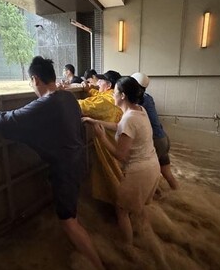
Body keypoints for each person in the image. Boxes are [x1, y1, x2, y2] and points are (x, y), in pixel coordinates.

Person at [0, 56, 104, 270]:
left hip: (64, 170)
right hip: (78, 162)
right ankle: (90, 252)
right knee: (72, 212)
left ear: (35, 79)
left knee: (68, 221)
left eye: (30, 81)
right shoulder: (68, 98)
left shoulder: (46, 104)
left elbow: (2, 122)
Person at [83, 77, 160, 244]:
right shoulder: (139, 110)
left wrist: (102, 137)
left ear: (123, 95)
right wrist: (95, 121)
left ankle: (128, 248)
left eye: (115, 93)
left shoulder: (129, 119)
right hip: (153, 166)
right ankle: (146, 235)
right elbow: (120, 127)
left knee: (121, 210)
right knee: (137, 207)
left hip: (139, 171)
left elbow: (120, 155)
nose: (113, 96)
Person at [77, 70, 123, 204]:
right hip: (116, 140)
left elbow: (87, 106)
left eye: (101, 81)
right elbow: (100, 96)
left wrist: (60, 95)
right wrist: (90, 90)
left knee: (113, 175)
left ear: (108, 85)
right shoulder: (113, 96)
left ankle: (121, 204)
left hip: (109, 143)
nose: (98, 84)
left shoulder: (107, 100)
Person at [131, 72, 179, 190]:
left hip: (155, 141)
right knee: (166, 173)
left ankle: (156, 199)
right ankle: (177, 193)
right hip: (163, 138)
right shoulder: (148, 97)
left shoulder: (137, 101)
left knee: (148, 175)